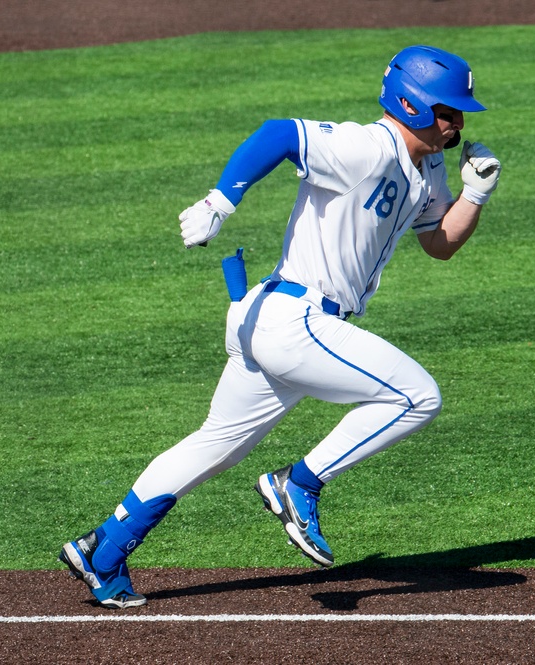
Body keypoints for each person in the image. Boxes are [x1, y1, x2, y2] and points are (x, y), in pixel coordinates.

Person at [59, 44, 502, 609]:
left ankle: (103, 551)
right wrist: (222, 200)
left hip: (273, 322)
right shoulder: (365, 146)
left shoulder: (428, 166)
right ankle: (299, 483)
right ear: (412, 105)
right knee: (417, 397)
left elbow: (438, 243)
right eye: (449, 110)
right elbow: (278, 133)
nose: (458, 122)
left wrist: (476, 195)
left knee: (214, 446)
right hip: (297, 320)